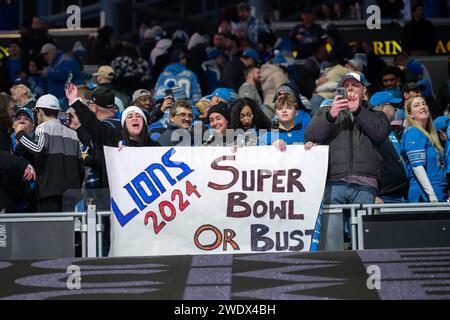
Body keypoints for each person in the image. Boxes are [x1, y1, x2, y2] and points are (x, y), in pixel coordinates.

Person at [305, 72, 390, 247]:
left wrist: (358, 111)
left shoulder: (377, 114)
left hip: (365, 184)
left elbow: (379, 133)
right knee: (331, 241)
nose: (350, 88)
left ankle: (364, 271)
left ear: (364, 90)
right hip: (333, 182)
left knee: (364, 241)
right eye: (346, 86)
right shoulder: (326, 111)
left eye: (355, 85)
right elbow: (311, 135)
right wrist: (332, 114)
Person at [14, 94, 83, 212]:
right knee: (67, 229)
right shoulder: (73, 133)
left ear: (40, 111)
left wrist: (20, 134)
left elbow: (37, 148)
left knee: (49, 229)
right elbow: (80, 166)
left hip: (50, 190)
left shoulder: (42, 127)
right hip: (72, 191)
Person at [402, 96, 448, 202]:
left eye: (424, 103)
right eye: (416, 105)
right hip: (424, 195)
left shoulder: (429, 135)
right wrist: (431, 195)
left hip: (439, 192)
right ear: (410, 114)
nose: (422, 107)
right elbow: (417, 167)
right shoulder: (413, 132)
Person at [369, 91, 409, 203]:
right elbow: (368, 162)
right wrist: (374, 194)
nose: (396, 109)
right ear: (381, 107)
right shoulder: (372, 130)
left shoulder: (389, 130)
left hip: (402, 194)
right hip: (385, 196)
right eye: (393, 105)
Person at [0, 93, 35, 212]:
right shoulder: (6, 135)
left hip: (23, 195)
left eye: (26, 119)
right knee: (3, 230)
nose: (21, 121)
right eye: (12, 109)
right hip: (6, 196)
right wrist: (22, 163)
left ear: (33, 125)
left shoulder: (37, 141)